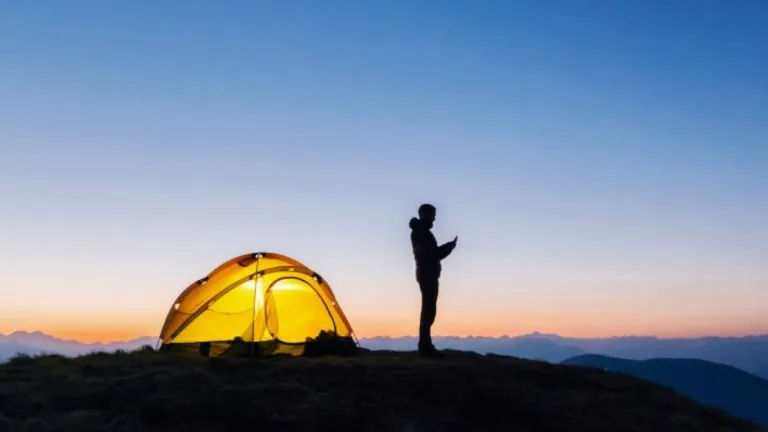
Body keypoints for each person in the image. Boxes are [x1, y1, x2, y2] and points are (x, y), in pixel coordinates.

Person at [409, 203, 458, 357]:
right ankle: (425, 346)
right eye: (433, 215)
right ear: (425, 214)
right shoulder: (421, 233)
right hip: (427, 273)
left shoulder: (421, 232)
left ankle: (425, 345)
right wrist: (449, 247)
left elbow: (432, 254)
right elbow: (432, 255)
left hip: (426, 272)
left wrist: (448, 248)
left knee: (429, 309)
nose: (434, 218)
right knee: (428, 310)